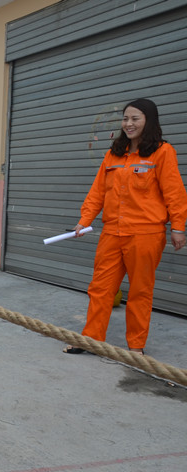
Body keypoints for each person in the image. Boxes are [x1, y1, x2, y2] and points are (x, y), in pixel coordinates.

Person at [64, 99, 187, 355]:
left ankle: (136, 347)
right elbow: (98, 191)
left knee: (140, 291)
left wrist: (178, 227)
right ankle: (91, 339)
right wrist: (84, 221)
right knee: (100, 288)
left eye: (135, 119)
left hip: (145, 234)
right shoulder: (114, 153)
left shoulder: (162, 152)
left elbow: (174, 193)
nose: (128, 124)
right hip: (112, 232)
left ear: (149, 121)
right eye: (125, 119)